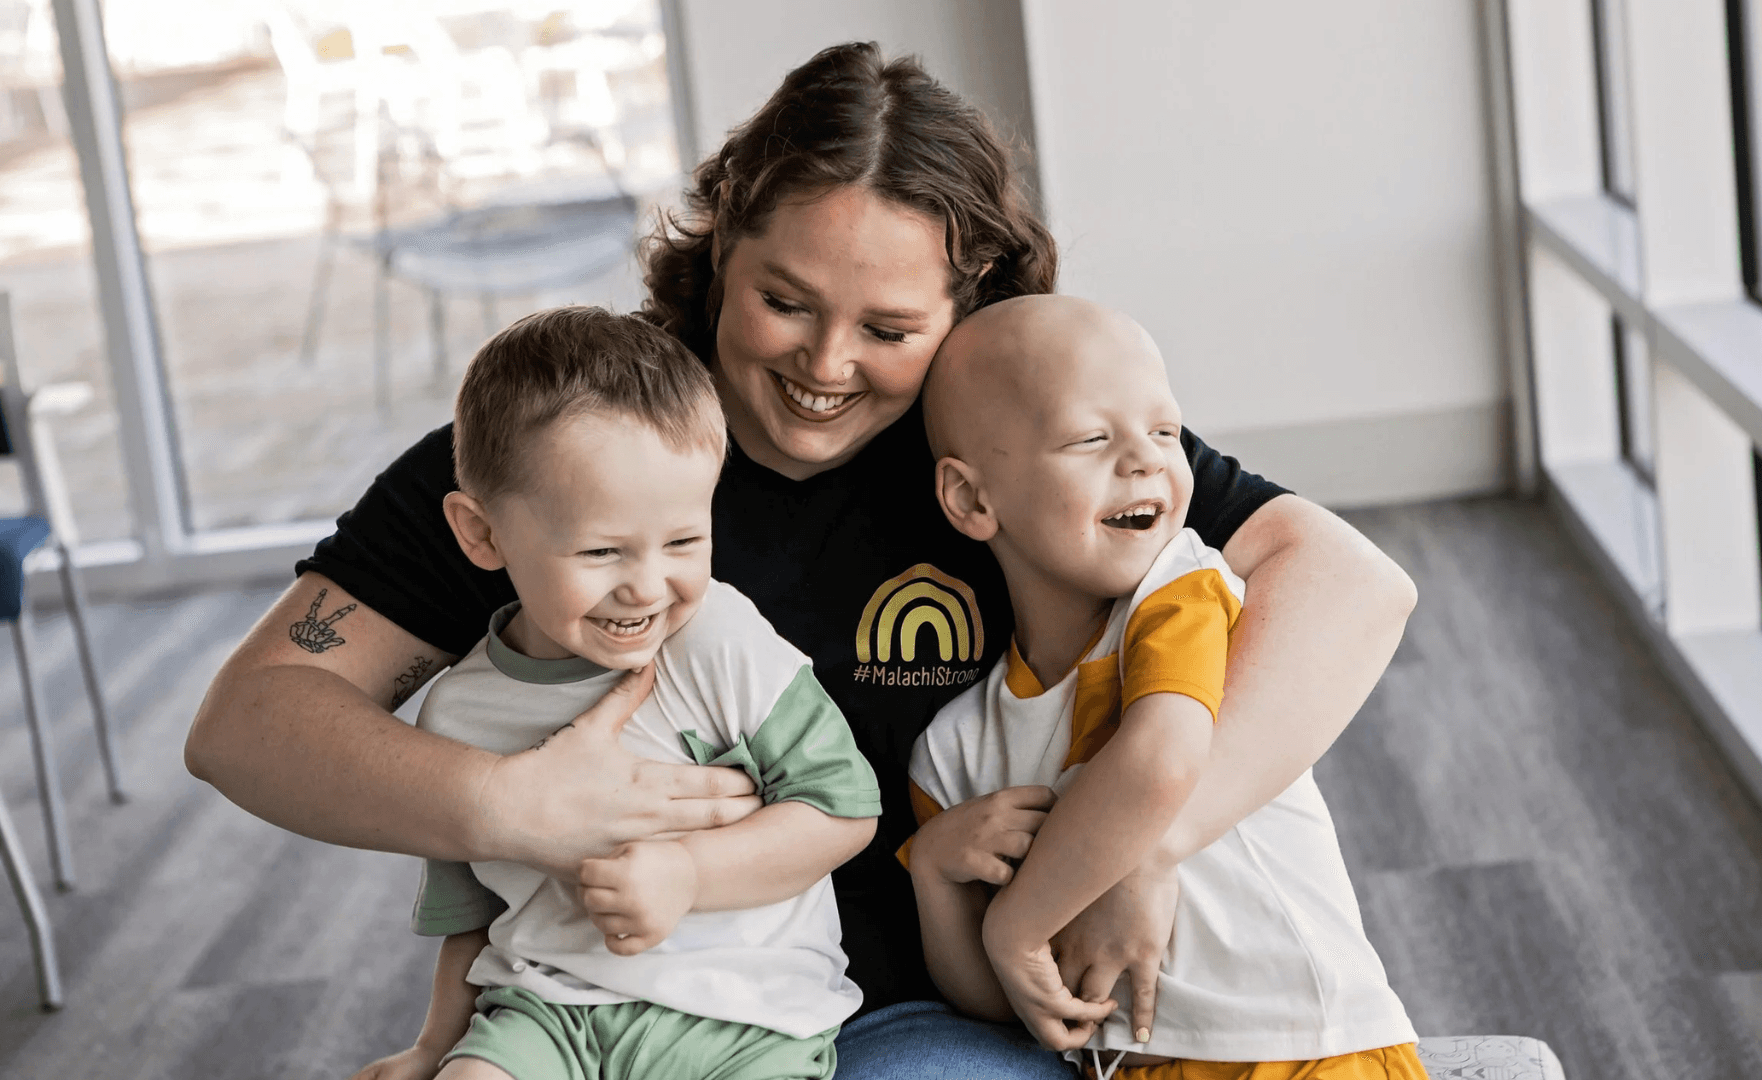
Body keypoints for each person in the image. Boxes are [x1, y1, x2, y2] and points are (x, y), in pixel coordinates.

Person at [185, 43, 1416, 1080]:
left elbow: (1349, 579)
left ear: (966, 305)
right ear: (720, 243)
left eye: (888, 329)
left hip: (918, 1006)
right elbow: (250, 720)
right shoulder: (569, 450)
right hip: (590, 1006)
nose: (827, 364)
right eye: (785, 300)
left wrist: (1144, 842)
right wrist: (506, 807)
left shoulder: (996, 438)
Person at [353, 308, 880, 1080]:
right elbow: (471, 916)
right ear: (482, 534)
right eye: (602, 550)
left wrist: (689, 875)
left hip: (744, 1021)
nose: (646, 585)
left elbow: (842, 811)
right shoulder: (457, 713)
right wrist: (436, 1048)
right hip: (545, 1014)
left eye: (682, 541)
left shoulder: (719, 641)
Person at [906, 296, 1421, 1080]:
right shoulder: (952, 749)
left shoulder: (1180, 594)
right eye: (1091, 438)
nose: (1147, 460)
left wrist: (1015, 924)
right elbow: (1006, 999)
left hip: (1308, 1052)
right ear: (973, 499)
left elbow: (1161, 760)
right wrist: (939, 877)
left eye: (1166, 432)